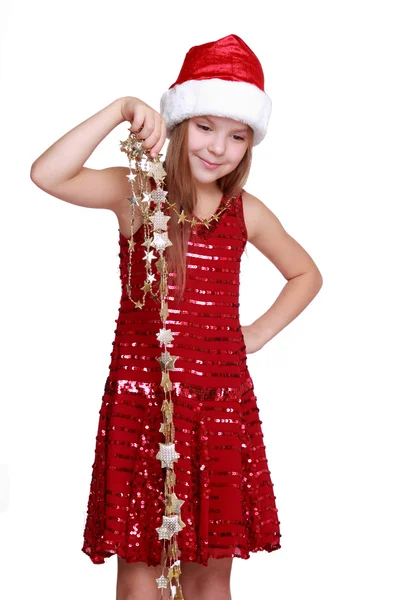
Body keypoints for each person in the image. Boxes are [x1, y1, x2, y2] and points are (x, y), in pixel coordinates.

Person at [30, 34, 323, 600]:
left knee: (210, 577)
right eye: (206, 127)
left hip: (218, 411)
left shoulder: (248, 212)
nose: (219, 147)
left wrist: (256, 333)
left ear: (250, 144)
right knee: (141, 576)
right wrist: (119, 109)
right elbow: (48, 174)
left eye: (238, 136)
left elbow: (306, 273)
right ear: (180, 123)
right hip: (145, 407)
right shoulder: (137, 192)